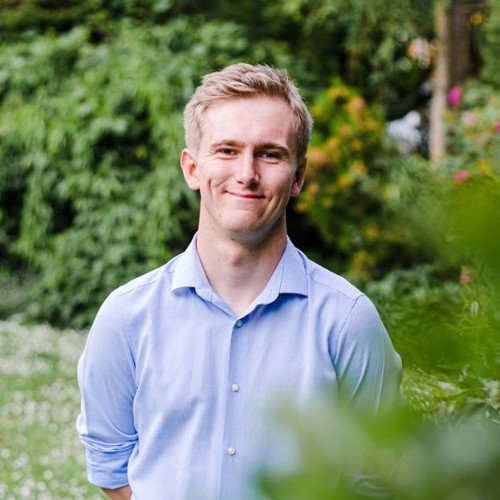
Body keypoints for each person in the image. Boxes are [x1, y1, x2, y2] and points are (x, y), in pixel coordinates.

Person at [77, 63, 402, 500]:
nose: (247, 173)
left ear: (299, 176)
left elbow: (377, 480)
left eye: (269, 153)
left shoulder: (348, 321)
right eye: (227, 150)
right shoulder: (126, 317)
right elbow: (111, 465)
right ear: (192, 169)